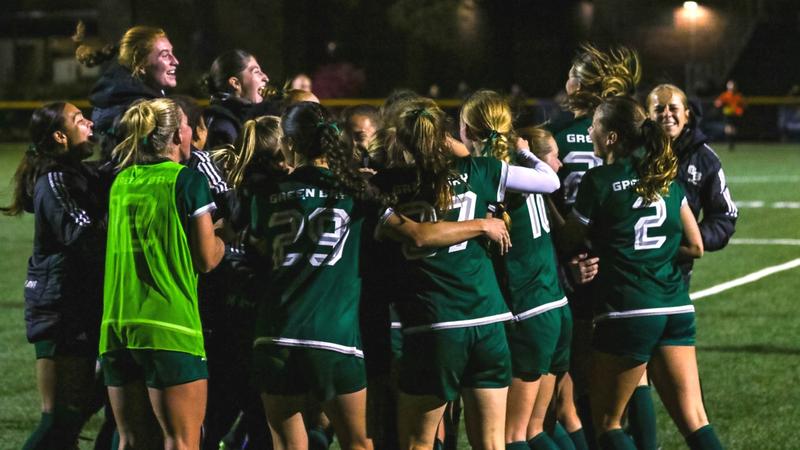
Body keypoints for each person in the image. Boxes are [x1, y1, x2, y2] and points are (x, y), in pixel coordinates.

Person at [375, 97, 560, 450]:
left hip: (436, 324)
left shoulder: (386, 185)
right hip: (489, 322)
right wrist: (482, 223)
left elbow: (416, 234)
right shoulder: (482, 170)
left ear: (400, 139)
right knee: (492, 444)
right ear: (444, 135)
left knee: (417, 442)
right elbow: (549, 182)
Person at [562, 96, 723, 450]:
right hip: (676, 307)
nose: (590, 130)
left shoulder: (600, 180)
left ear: (612, 137)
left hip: (628, 310)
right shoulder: (664, 175)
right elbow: (695, 245)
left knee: (608, 425)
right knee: (696, 422)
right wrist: (653, 251)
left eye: (596, 126)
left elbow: (567, 237)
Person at [99, 98, 226, 449]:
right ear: (174, 136)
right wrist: (225, 237)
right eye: (186, 125)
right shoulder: (187, 181)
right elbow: (207, 260)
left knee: (131, 441)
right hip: (170, 328)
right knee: (181, 441)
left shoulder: (121, 182)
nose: (192, 131)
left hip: (117, 327)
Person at [458, 90, 572, 450]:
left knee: (513, 435)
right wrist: (525, 152)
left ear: (469, 130)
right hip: (554, 304)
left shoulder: (491, 173)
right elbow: (550, 181)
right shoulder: (518, 168)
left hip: (528, 310)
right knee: (536, 430)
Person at [547, 43, 641, 450]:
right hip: (625, 266)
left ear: (580, 84)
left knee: (567, 382)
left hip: (570, 267)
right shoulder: (630, 140)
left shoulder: (555, 139)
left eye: (570, 72)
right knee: (629, 374)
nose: (565, 80)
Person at [3, 103, 104, 449]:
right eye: (80, 120)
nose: (89, 123)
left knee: (73, 418)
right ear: (61, 136)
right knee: (59, 420)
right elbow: (84, 236)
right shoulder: (54, 180)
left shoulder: (76, 173)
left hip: (75, 305)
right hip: (59, 310)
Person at [646, 84, 738, 285]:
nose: (667, 114)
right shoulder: (631, 154)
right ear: (648, 116)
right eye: (659, 109)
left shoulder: (705, 159)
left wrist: (689, 240)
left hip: (676, 271)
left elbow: (724, 216)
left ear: (687, 115)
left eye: (673, 108)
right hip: (631, 268)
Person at [74, 22, 179, 160]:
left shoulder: (121, 97)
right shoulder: (137, 111)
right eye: (165, 55)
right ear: (141, 65)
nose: (175, 61)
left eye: (172, 53)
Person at [202, 49, 270, 149]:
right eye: (256, 72)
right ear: (236, 83)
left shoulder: (240, 118)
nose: (266, 78)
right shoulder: (223, 127)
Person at [713, 80, 744, 150]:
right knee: (728, 128)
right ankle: (730, 143)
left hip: (735, 115)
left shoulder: (738, 96)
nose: (731, 87)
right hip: (727, 114)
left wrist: (740, 110)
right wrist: (721, 103)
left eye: (732, 85)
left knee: (734, 129)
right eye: (729, 85)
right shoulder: (725, 95)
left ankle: (732, 143)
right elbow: (717, 103)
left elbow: (742, 105)